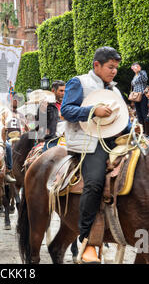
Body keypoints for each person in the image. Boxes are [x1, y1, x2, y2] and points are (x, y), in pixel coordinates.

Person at [61, 46, 130, 264]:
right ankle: (87, 238)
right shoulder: (78, 83)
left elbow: (122, 119)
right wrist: (92, 111)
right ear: (96, 65)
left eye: (116, 68)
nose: (114, 71)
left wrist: (132, 129)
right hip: (88, 143)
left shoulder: (116, 90)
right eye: (110, 67)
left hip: (114, 141)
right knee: (95, 182)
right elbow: (66, 110)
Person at [130, 62, 149, 132]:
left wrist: (139, 71)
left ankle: (147, 132)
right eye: (134, 67)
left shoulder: (143, 72)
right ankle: (142, 131)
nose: (135, 68)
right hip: (136, 97)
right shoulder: (134, 76)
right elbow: (133, 86)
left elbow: (145, 79)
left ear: (139, 67)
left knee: (144, 113)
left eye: (137, 66)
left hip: (142, 95)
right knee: (138, 114)